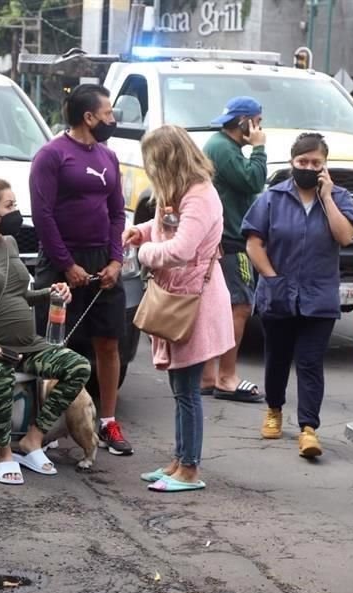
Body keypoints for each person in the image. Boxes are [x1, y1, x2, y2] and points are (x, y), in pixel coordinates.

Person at [0, 171, 91, 485]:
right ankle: (3, 454)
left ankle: (33, 439)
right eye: (10, 205)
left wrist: (51, 292)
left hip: (26, 345)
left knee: (77, 366)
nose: (16, 211)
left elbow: (20, 293)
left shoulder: (10, 242)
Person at [123, 125, 234, 492]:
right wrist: (142, 231)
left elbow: (182, 249)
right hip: (180, 297)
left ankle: (189, 469)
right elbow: (168, 229)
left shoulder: (200, 195)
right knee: (179, 387)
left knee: (187, 389)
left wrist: (143, 252)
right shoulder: (183, 191)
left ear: (167, 159)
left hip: (192, 302)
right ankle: (179, 460)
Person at [29, 84, 132, 456]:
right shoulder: (51, 156)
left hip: (102, 259)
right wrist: (66, 265)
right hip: (60, 263)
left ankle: (107, 422)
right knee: (57, 347)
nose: (112, 120)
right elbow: (42, 216)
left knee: (108, 341)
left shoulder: (109, 156)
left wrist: (116, 260)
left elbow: (117, 212)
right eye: (108, 113)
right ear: (89, 117)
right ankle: (48, 426)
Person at [241, 133, 353, 459]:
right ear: (293, 163)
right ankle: (274, 410)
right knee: (277, 357)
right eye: (302, 162)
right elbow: (253, 242)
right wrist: (272, 277)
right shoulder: (271, 199)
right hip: (279, 293)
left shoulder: (340, 197)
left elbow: (345, 236)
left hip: (318, 297)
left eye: (315, 163)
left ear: (324, 166)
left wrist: (328, 197)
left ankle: (308, 429)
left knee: (309, 362)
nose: (308, 167)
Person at [199, 96, 267, 403]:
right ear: (245, 122)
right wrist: (260, 148)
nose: (260, 128)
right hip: (232, 240)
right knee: (238, 307)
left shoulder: (221, 146)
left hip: (221, 239)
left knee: (219, 307)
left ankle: (208, 375)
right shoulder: (224, 148)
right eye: (257, 122)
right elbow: (253, 180)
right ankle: (226, 376)